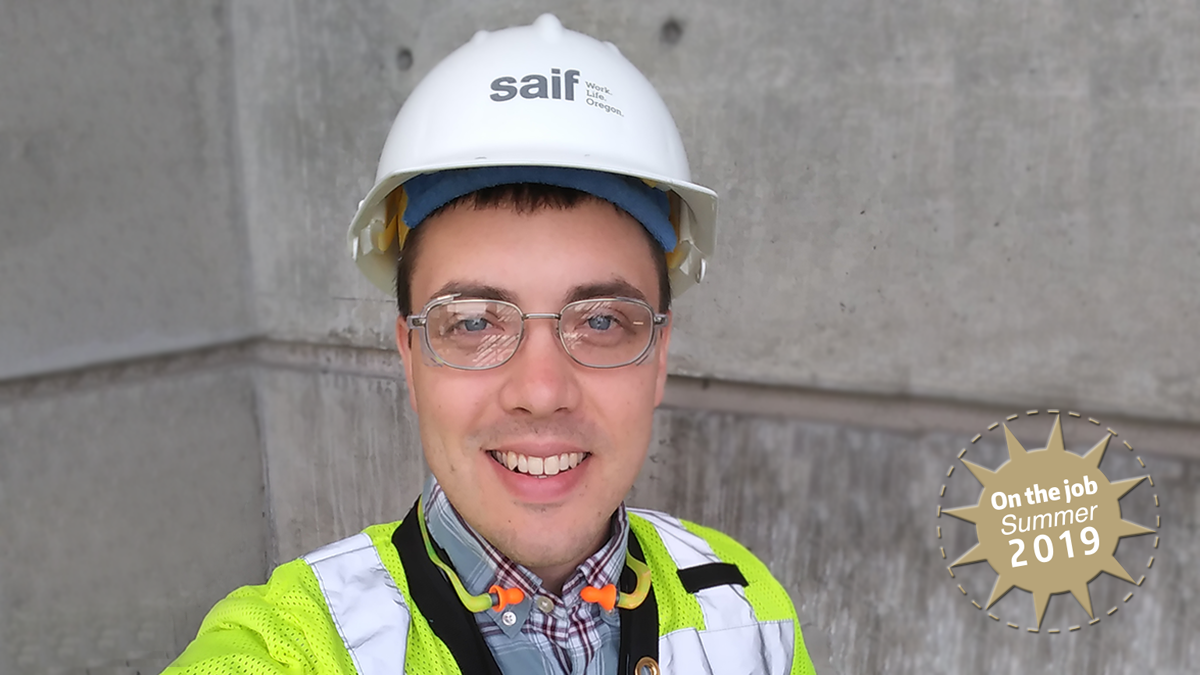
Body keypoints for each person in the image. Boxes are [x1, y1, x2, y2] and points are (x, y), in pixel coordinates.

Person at [164, 14, 815, 675]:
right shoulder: (291, 645)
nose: (541, 391)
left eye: (600, 321)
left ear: (659, 357)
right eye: (474, 322)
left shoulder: (745, 609)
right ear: (410, 358)